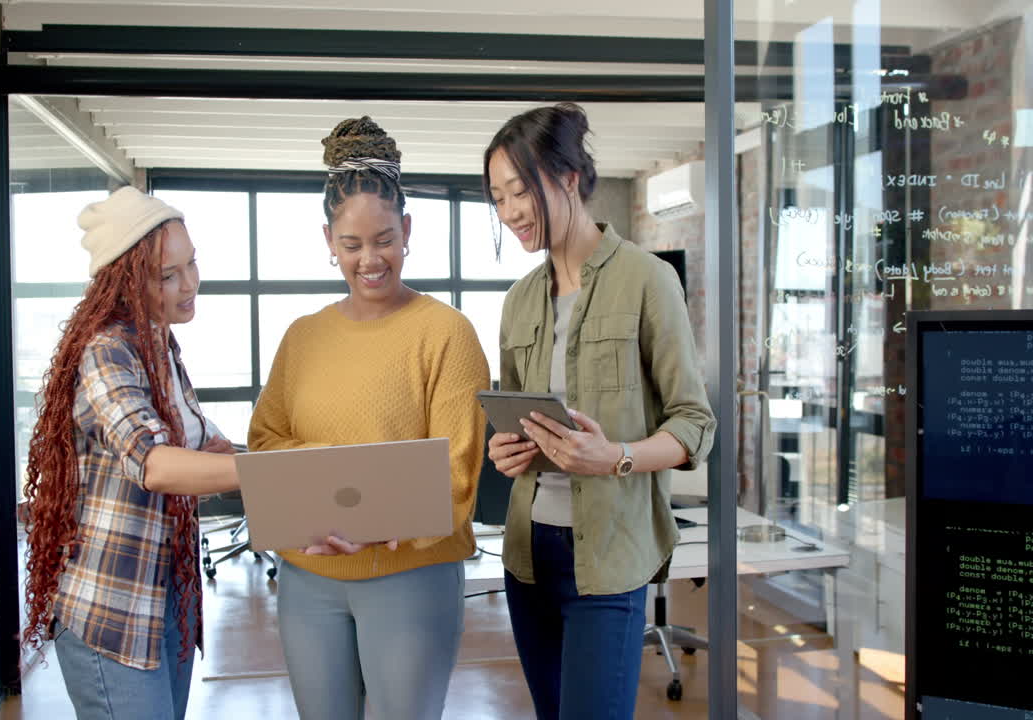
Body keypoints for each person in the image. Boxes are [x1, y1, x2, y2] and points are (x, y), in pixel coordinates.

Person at [247, 116, 490, 720]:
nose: (370, 260)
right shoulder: (302, 337)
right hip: (308, 574)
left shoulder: (446, 334)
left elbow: (458, 465)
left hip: (410, 573)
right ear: (328, 241)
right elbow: (266, 438)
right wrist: (315, 511)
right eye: (351, 245)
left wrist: (380, 523)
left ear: (407, 230)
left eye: (383, 239)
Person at [482, 103, 717, 720]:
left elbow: (695, 424)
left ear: (566, 177)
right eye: (497, 198)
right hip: (528, 554)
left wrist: (616, 457)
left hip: (610, 558)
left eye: (518, 192)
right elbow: (516, 418)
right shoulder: (517, 302)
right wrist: (506, 451)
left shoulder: (648, 281)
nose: (509, 213)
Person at [20, 186, 242, 720]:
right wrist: (267, 473)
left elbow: (193, 452)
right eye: (167, 275)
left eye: (192, 264)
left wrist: (226, 456)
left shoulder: (161, 343)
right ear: (124, 281)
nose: (190, 284)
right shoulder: (107, 349)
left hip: (167, 598)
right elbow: (155, 463)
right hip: (113, 609)